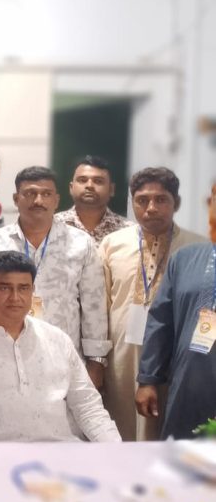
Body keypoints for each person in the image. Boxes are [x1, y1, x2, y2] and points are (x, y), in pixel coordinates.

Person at [0, 251, 121, 442]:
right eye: (5, 288)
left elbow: (87, 405)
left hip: (62, 451)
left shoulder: (57, 339)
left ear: (32, 290)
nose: (15, 297)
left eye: (23, 288)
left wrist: (116, 449)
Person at [101, 168, 206, 441]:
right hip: (121, 360)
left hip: (174, 359)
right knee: (121, 430)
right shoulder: (112, 244)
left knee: (168, 431)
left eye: (161, 200)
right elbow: (98, 308)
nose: (151, 208)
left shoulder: (198, 247)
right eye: (142, 200)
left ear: (176, 203)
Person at [0, 166, 110, 387]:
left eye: (46, 194)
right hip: (3, 356)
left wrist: (96, 363)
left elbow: (94, 307)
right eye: (30, 193)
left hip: (63, 361)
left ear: (56, 200)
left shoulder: (80, 243)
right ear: (16, 199)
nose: (38, 201)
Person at [136, 183, 216, 440]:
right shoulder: (185, 258)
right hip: (189, 382)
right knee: (183, 455)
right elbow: (161, 322)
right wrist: (148, 379)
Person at [58, 155, 132, 244]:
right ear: (71, 188)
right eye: (82, 180)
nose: (89, 185)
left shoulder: (129, 231)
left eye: (98, 181)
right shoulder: (53, 225)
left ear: (111, 189)